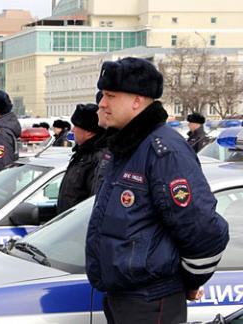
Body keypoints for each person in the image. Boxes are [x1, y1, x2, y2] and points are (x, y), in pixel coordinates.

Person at [86, 57, 229, 324]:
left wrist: (187, 280)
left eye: (110, 96)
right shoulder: (127, 147)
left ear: (137, 101)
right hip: (127, 298)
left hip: (151, 302)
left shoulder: (163, 151)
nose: (102, 103)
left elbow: (204, 230)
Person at [56, 104, 106, 214]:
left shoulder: (97, 158)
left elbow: (92, 202)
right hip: (68, 224)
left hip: (78, 226)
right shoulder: (82, 155)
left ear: (88, 131)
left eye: (76, 126)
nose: (73, 130)